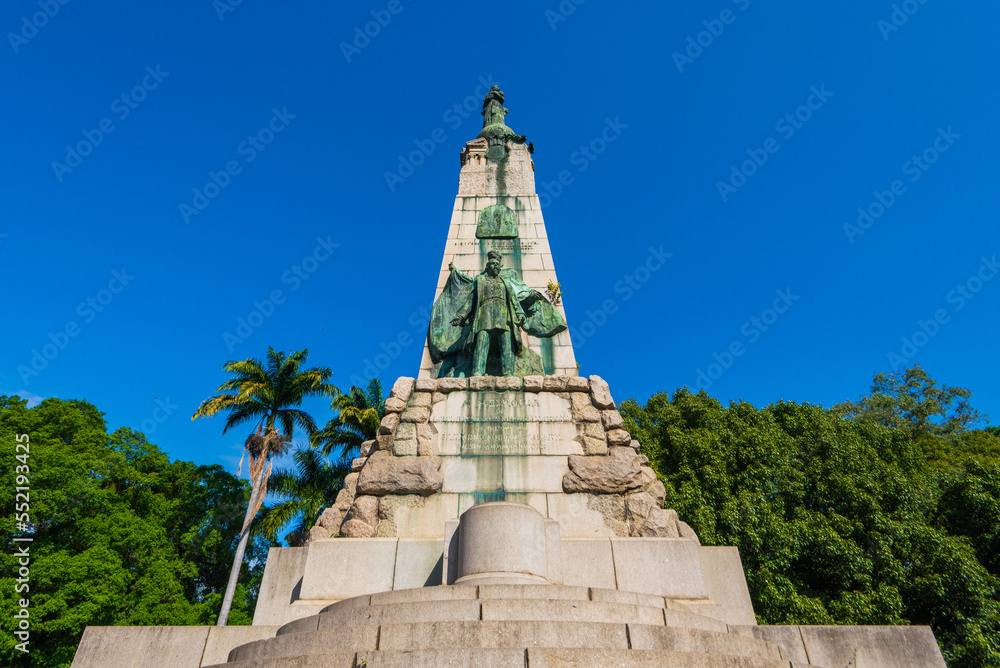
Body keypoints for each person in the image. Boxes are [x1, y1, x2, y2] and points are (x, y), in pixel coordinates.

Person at [450, 251, 525, 376]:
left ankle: (508, 372)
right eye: (493, 264)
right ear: (487, 267)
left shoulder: (506, 282)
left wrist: (520, 313)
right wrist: (461, 316)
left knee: (506, 343)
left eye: (497, 265)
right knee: (482, 341)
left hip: (504, 315)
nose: (495, 267)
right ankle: (477, 372)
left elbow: (514, 300)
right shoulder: (480, 280)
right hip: (485, 314)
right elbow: (471, 300)